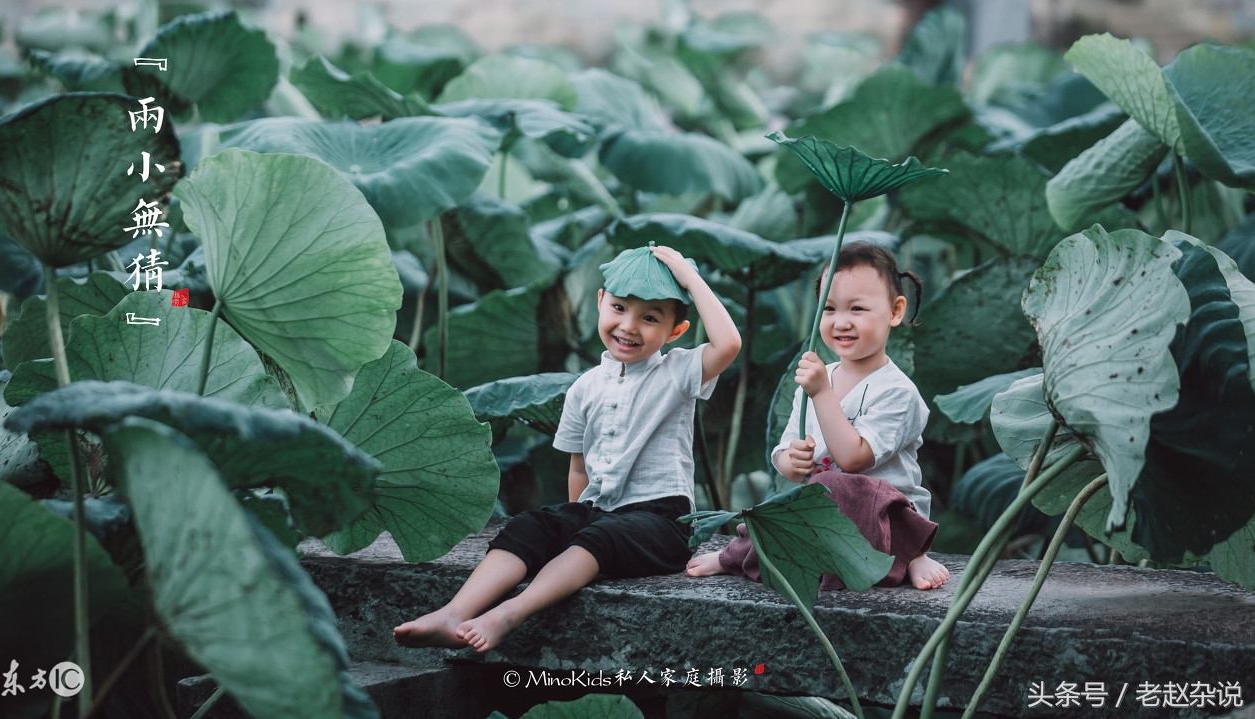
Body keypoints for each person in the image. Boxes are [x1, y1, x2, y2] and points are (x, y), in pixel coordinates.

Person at [394, 244, 741, 652]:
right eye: (618, 308)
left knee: (600, 539)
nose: (629, 326)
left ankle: (509, 614)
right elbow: (579, 468)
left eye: (649, 318)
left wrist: (689, 277)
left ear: (675, 331)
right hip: (601, 511)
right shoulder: (584, 387)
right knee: (528, 526)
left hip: (663, 521)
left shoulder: (679, 372)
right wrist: (580, 519)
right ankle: (454, 611)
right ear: (599, 302)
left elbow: (729, 343)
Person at [687, 241, 950, 591]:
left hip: (886, 520)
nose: (841, 322)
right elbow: (783, 450)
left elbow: (854, 459)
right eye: (829, 309)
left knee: (833, 486)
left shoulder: (897, 392)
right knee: (782, 505)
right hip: (828, 521)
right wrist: (789, 461)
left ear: (895, 311)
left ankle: (912, 555)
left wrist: (822, 394)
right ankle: (734, 555)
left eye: (857, 308)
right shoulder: (816, 380)